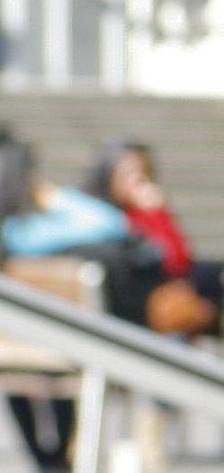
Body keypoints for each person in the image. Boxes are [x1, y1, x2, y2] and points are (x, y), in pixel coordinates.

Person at [0, 125, 136, 473]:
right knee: (52, 357)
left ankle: (46, 461)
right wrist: (49, 195)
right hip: (40, 348)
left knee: (17, 367)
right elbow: (112, 223)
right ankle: (57, 462)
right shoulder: (25, 226)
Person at [94, 141, 220, 340]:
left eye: (143, 173)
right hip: (141, 305)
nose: (138, 180)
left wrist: (157, 214)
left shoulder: (148, 212)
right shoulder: (105, 219)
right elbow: (169, 260)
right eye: (129, 173)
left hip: (171, 289)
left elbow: (182, 258)